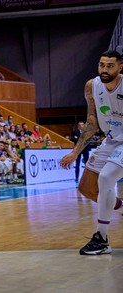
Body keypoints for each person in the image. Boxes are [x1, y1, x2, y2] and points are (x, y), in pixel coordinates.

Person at [60, 50, 123, 255]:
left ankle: (101, 238)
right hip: (111, 140)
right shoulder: (92, 86)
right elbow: (92, 122)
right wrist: (75, 152)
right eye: (101, 65)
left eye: (110, 66)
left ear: (120, 67)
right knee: (88, 189)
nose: (104, 70)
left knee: (106, 178)